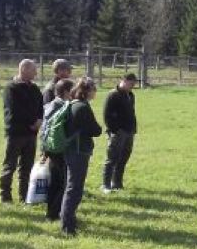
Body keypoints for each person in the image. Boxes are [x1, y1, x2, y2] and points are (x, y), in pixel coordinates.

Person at [60, 77, 102, 237]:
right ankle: (67, 226)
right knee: (74, 188)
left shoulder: (73, 104)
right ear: (87, 91)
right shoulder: (83, 107)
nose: (95, 92)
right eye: (93, 89)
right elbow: (96, 130)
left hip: (72, 150)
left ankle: (69, 219)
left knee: (72, 186)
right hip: (78, 151)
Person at [0, 59, 43, 204]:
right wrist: (32, 122)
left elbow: (40, 106)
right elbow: (15, 110)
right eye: (33, 70)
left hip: (31, 134)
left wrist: (39, 120)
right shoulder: (11, 88)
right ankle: (5, 196)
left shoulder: (35, 88)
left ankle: (24, 196)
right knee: (10, 165)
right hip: (16, 133)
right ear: (24, 69)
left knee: (27, 166)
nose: (36, 73)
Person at [41, 79, 74, 222]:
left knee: (57, 181)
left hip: (53, 148)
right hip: (58, 149)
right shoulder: (60, 106)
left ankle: (54, 212)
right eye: (72, 90)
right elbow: (49, 130)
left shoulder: (52, 105)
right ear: (66, 92)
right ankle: (54, 213)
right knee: (60, 182)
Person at [102, 73, 137, 193]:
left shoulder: (130, 95)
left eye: (134, 84)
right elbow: (107, 115)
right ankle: (106, 185)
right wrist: (115, 130)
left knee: (123, 158)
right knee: (112, 158)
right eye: (131, 84)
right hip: (118, 133)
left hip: (129, 132)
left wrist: (133, 129)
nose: (132, 86)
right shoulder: (113, 95)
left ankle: (117, 183)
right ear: (124, 80)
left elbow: (132, 113)